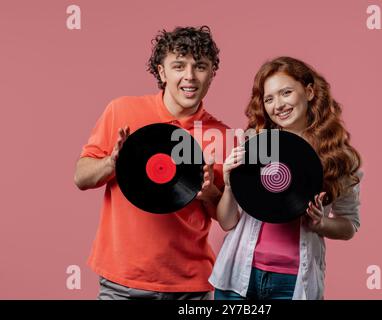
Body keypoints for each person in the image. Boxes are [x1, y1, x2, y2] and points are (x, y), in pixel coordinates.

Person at [74, 26, 229, 300]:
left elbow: (225, 217)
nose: (189, 76)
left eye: (200, 66)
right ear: (162, 72)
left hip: (190, 287)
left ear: (211, 74)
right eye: (179, 66)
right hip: (122, 282)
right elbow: (81, 178)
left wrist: (209, 194)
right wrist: (111, 164)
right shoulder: (121, 110)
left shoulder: (224, 136)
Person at [209, 56, 363, 300]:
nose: (278, 105)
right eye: (269, 99)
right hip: (237, 278)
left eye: (286, 93)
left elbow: (349, 225)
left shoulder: (338, 157)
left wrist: (321, 224)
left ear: (309, 91)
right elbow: (228, 223)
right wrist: (229, 185)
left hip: (293, 285)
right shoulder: (254, 143)